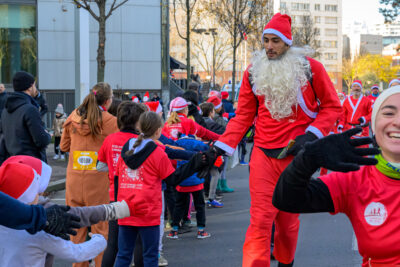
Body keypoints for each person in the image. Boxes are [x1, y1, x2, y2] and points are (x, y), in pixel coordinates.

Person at [203, 13, 342, 266]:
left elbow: (332, 107)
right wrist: (220, 147)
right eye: (266, 40)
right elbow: (243, 116)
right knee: (260, 220)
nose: (269, 46)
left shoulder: (311, 69)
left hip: (295, 159)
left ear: (288, 43)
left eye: (275, 41)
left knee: (287, 223)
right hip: (263, 156)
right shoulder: (253, 72)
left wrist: (310, 135)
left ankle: (285, 262)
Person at [273, 85, 400, 267]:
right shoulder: (356, 179)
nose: (398, 121)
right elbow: (286, 199)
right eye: (388, 113)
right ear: (374, 124)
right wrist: (307, 160)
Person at [114, 111, 208, 267]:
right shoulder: (157, 152)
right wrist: (195, 163)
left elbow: (117, 177)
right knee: (150, 257)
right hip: (148, 210)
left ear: (139, 126)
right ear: (158, 131)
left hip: (125, 208)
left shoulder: (127, 147)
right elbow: (173, 179)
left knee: (123, 255)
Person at [60, 82, 119, 267]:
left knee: (76, 228)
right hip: (99, 181)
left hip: (74, 180)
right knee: (101, 229)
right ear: (108, 101)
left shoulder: (73, 117)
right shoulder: (111, 122)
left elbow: (63, 146)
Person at [97, 101, 147, 267]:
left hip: (116, 196)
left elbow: (100, 166)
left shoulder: (110, 139)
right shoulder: (141, 142)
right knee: (140, 243)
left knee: (113, 244)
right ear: (139, 121)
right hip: (139, 197)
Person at [0, 71, 51, 163]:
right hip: (31, 164)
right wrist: (47, 135)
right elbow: (41, 140)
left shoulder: (5, 111)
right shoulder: (30, 109)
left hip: (13, 163)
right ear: (30, 87)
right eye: (34, 85)